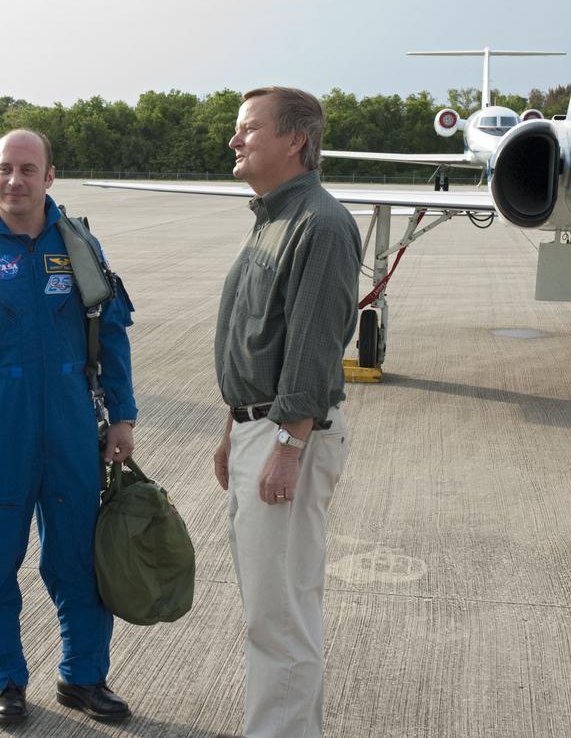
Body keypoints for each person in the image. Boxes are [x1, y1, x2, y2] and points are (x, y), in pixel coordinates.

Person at [0, 129, 138, 725]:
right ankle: (4, 679)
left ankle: (83, 676)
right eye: (4, 169)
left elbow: (111, 332)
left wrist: (124, 415)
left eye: (27, 169)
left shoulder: (81, 247)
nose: (15, 180)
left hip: (71, 421)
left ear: (50, 176)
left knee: (79, 558)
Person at [212, 87, 362, 738]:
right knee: (269, 613)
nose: (234, 140)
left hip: (286, 434)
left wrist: (289, 444)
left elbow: (313, 344)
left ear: (295, 141)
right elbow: (259, 338)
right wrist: (230, 430)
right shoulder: (273, 217)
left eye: (248, 129)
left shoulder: (320, 224)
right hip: (258, 430)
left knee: (282, 617)